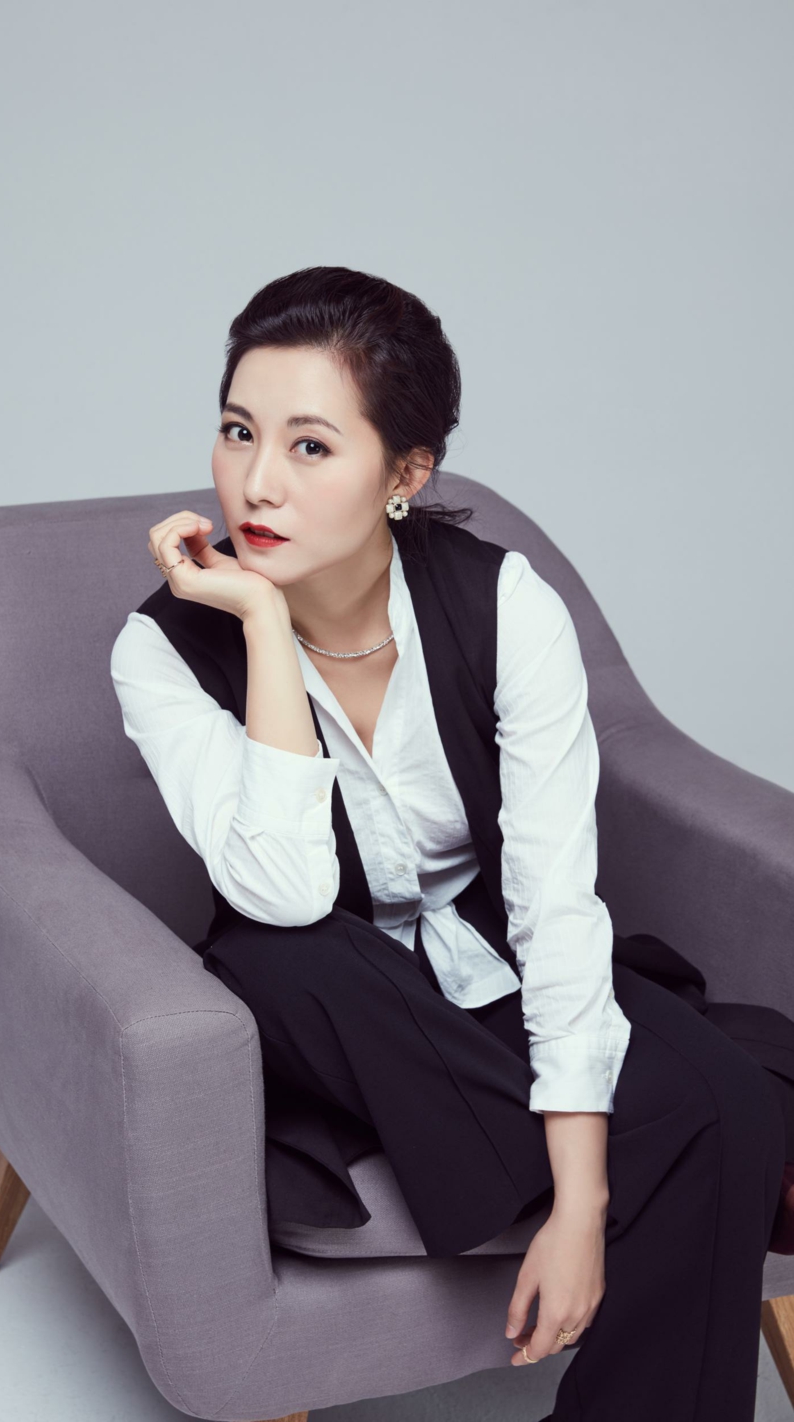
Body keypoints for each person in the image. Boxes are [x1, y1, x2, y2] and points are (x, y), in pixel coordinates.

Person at [110, 265, 794, 1421]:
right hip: (323, 984)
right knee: (294, 954)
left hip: (487, 956)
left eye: (311, 445)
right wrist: (264, 623)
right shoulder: (160, 649)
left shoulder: (505, 604)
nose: (256, 480)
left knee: (723, 1098)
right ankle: (669, 1136)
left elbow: (552, 898)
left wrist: (582, 1206)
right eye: (237, 431)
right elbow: (283, 888)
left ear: (406, 474)